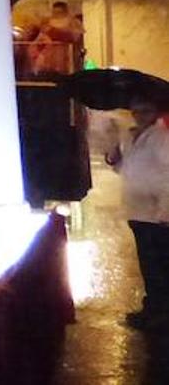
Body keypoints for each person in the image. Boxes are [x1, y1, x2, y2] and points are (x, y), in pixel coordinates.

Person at [106, 92, 169, 330]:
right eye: (136, 111)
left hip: (156, 214)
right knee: (148, 264)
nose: (139, 116)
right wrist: (114, 150)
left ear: (155, 113)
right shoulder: (133, 136)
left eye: (145, 111)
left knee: (158, 266)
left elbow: (167, 176)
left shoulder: (162, 138)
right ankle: (153, 309)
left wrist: (165, 210)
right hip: (137, 210)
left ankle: (160, 313)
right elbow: (125, 170)